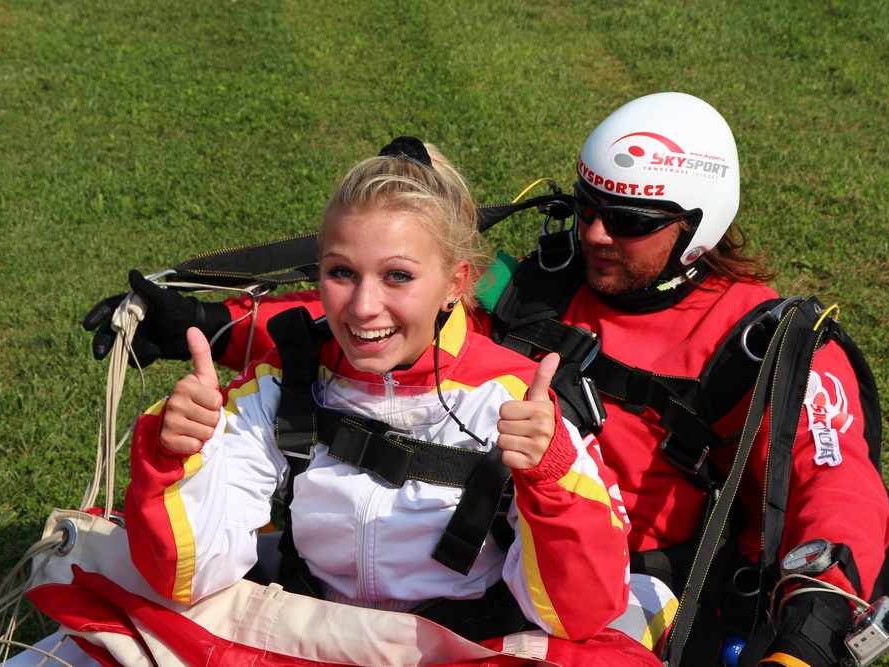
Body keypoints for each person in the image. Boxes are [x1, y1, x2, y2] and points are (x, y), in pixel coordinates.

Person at [85, 95, 889, 667]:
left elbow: (837, 488)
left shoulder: (767, 342)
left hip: (626, 577)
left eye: (629, 222)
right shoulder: (542, 279)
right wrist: (210, 326)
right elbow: (397, 322)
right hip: (508, 545)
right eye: (587, 206)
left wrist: (810, 633)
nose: (596, 234)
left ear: (700, 226)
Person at [119, 137, 672, 666]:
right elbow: (184, 577)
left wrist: (549, 475)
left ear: (455, 283)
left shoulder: (516, 405)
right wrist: (176, 454)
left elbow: (578, 615)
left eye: (397, 276)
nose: (363, 307)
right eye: (341, 272)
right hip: (307, 639)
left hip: (465, 651)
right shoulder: (281, 385)